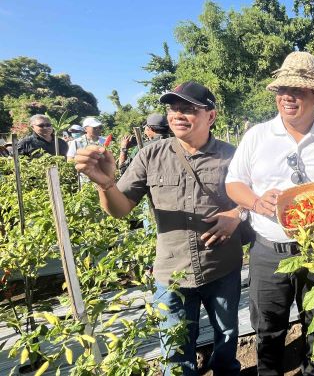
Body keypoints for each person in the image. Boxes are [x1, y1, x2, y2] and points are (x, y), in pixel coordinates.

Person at [73, 81, 244, 376]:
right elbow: (120, 208)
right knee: (175, 353)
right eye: (173, 108)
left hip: (222, 267)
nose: (177, 115)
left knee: (227, 336)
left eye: (188, 108)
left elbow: (256, 200)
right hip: (172, 272)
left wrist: (237, 213)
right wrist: (105, 184)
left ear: (211, 116)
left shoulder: (234, 156)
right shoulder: (150, 156)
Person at [225, 51, 314, 376]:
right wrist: (256, 202)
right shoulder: (257, 135)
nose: (287, 96)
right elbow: (234, 183)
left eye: (297, 90)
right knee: (268, 330)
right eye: (283, 89)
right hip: (269, 251)